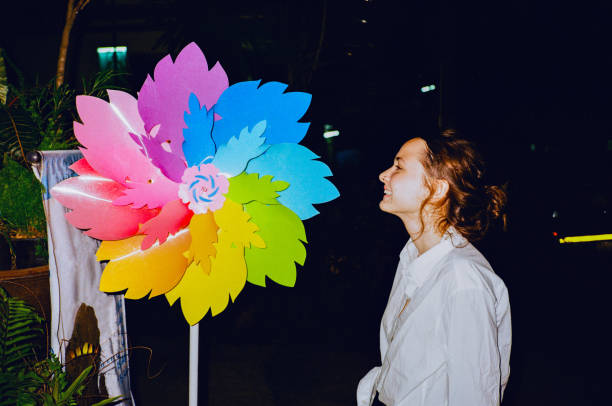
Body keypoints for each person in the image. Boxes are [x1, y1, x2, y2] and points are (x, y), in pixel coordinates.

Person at [357, 132, 511, 406]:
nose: (384, 174)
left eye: (399, 166)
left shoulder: (463, 280)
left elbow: (475, 396)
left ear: (437, 190)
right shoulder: (412, 258)